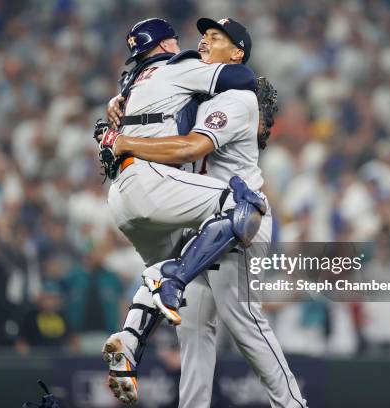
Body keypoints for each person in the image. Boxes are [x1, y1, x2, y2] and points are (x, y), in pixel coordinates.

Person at [98, 18, 307, 407]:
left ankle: (292, 403)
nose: (204, 42)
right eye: (204, 36)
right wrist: (120, 104)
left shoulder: (234, 98)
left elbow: (190, 148)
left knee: (244, 324)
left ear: (237, 53)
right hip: (203, 219)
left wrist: (125, 142)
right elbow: (154, 95)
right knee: (192, 333)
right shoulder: (195, 89)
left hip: (241, 220)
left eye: (216, 38)